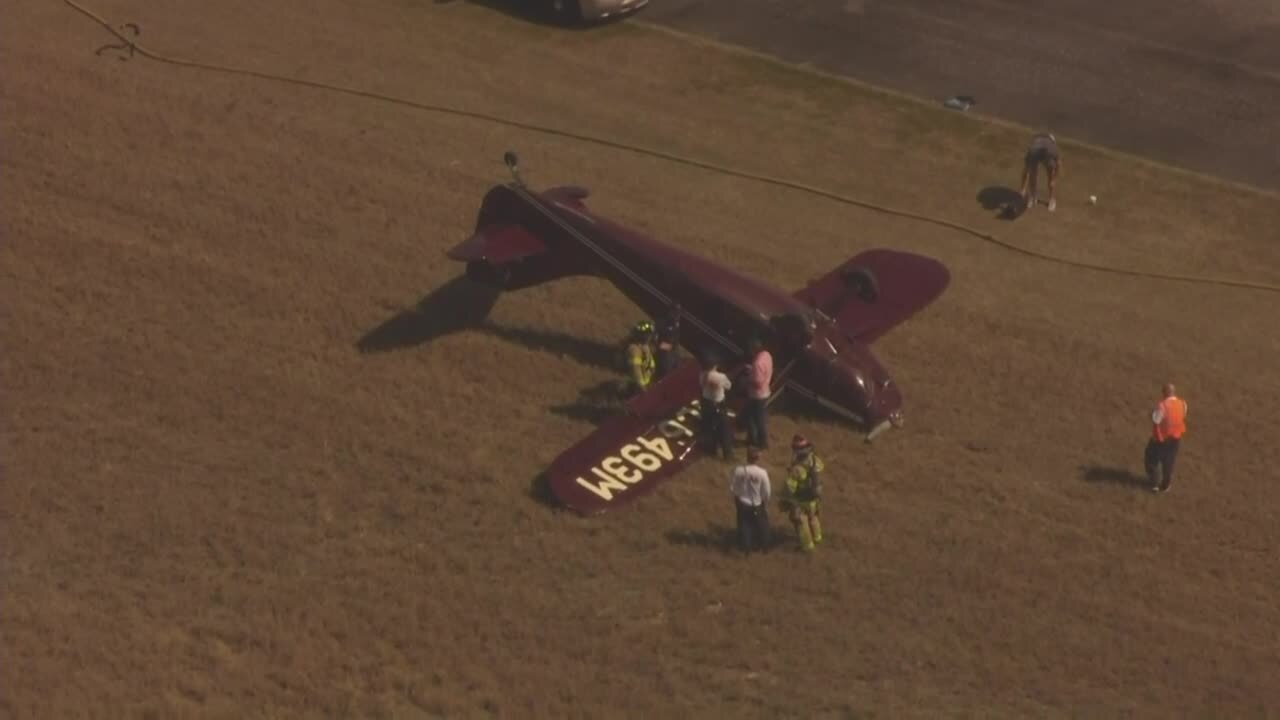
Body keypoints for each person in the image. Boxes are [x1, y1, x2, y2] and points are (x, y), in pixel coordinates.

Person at [781, 434, 825, 552]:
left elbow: (789, 487)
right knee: (813, 517)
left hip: (801, 499)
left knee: (801, 521)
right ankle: (817, 538)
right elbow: (820, 470)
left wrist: (786, 500)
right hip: (814, 497)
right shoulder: (815, 460)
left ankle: (807, 546)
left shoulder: (797, 469)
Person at [1145, 383, 1188, 493]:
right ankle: (1166, 485)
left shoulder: (1162, 405)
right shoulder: (1183, 404)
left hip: (1161, 438)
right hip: (1175, 439)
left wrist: (1151, 414)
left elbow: (1156, 420)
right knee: (1169, 462)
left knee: (1151, 460)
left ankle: (1154, 484)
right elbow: (1182, 416)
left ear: (1165, 393)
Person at [729, 446, 771, 552]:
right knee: (763, 526)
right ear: (758, 458)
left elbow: (733, 487)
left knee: (744, 526)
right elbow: (766, 491)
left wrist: (737, 497)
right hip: (757, 503)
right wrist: (765, 502)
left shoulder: (739, 470)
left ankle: (746, 548)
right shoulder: (762, 473)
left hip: (743, 502)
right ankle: (764, 547)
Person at [698, 354, 734, 460]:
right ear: (715, 365)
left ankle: (710, 448)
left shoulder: (702, 374)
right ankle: (728, 454)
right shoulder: (720, 377)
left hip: (706, 403)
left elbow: (701, 385)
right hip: (718, 404)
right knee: (724, 428)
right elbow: (729, 386)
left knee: (708, 426)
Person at [739, 337, 773, 449]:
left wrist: (747, 380)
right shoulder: (767, 355)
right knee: (758, 417)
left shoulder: (757, 363)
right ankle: (755, 439)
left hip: (756, 395)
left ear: (754, 349)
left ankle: (760, 441)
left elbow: (757, 383)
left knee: (756, 419)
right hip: (765, 391)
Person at [1019, 132, 1062, 212]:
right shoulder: (1032, 152)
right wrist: (1023, 189)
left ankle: (1052, 200)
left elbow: (1059, 164)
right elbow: (1028, 172)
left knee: (1051, 177)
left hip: (1046, 151)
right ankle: (1032, 196)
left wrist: (1055, 178)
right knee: (1032, 174)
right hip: (1035, 151)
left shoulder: (1052, 151)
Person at [621, 320, 656, 397]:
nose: (650, 337)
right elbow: (636, 370)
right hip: (637, 387)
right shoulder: (634, 350)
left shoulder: (645, 346)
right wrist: (642, 386)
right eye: (648, 335)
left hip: (647, 382)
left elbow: (649, 360)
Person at [654, 306, 682, 380]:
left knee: (678, 372)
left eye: (678, 313)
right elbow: (655, 340)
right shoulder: (661, 323)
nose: (677, 315)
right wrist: (667, 347)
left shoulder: (676, 324)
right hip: (664, 354)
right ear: (670, 312)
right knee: (666, 375)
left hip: (674, 353)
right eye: (675, 312)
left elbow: (676, 339)